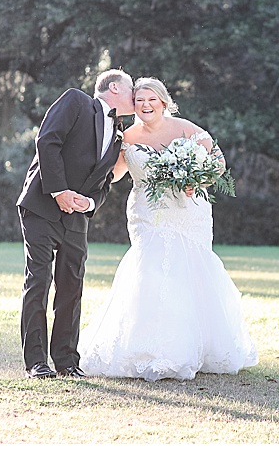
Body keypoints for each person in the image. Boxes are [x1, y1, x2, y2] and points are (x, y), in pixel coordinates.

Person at [77, 77, 259, 381]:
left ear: (163, 103)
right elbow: (115, 174)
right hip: (147, 213)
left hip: (189, 211)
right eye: (140, 101)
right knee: (151, 269)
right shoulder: (127, 137)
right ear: (132, 104)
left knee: (190, 270)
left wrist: (196, 180)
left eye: (152, 100)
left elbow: (217, 162)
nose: (146, 106)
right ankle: (147, 347)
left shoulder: (185, 128)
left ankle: (195, 346)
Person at [17, 69, 135, 378]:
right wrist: (58, 190)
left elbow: (105, 180)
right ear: (113, 88)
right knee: (39, 281)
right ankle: (36, 363)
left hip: (77, 217)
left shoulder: (120, 133)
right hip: (42, 205)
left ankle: (67, 362)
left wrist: (91, 202)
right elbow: (47, 140)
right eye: (131, 89)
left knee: (72, 286)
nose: (136, 96)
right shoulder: (76, 101)